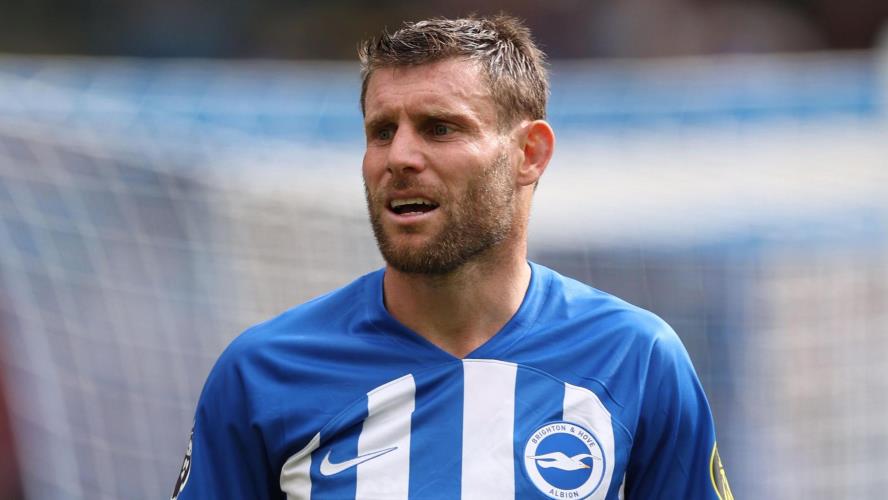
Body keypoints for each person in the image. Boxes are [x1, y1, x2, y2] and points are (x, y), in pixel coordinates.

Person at [172, 15, 733, 500]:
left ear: (530, 153)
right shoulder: (263, 372)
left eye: (439, 128)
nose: (399, 157)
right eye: (382, 131)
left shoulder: (635, 358)